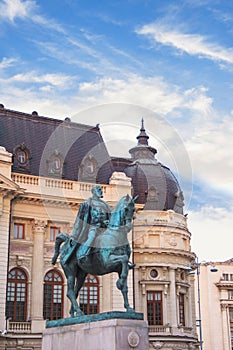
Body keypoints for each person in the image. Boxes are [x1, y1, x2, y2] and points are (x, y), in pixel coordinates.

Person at [64, 185, 111, 263]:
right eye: (98, 190)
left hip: (104, 229)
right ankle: (83, 254)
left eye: (101, 190)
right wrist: (74, 235)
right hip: (93, 227)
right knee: (91, 237)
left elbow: (110, 218)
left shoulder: (106, 205)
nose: (101, 191)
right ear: (93, 192)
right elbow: (79, 221)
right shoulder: (87, 204)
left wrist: (108, 222)